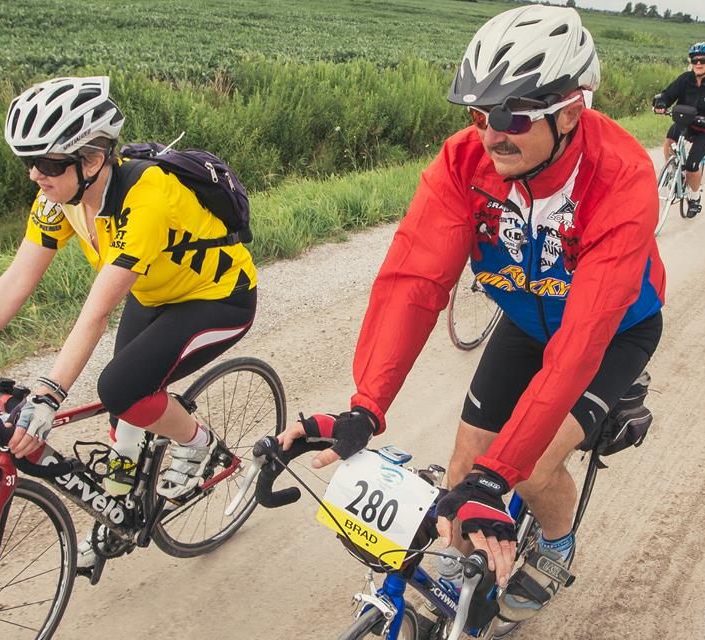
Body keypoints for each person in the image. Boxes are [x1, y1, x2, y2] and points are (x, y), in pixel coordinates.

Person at [272, 5, 663, 634]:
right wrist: (367, 405)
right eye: (479, 114)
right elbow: (414, 282)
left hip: (612, 330)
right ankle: (468, 577)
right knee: (463, 469)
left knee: (528, 467)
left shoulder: (621, 178)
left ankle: (556, 551)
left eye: (512, 116)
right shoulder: (465, 163)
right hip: (527, 320)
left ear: (570, 111)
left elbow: (582, 338)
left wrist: (499, 476)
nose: (491, 135)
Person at [0, 76, 259, 505]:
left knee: (121, 389)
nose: (34, 175)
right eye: (29, 162)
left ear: (92, 160)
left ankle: (199, 446)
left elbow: (96, 312)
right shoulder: (57, 199)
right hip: (154, 296)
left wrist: (48, 395)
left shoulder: (149, 197)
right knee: (125, 414)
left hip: (218, 298)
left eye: (47, 164)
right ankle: (121, 512)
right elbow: (17, 279)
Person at [651, 42, 705, 218]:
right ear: (690, 61)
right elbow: (667, 95)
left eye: (703, 60)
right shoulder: (685, 79)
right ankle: (674, 172)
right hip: (685, 123)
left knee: (691, 165)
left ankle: (694, 197)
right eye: (694, 60)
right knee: (669, 141)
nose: (698, 64)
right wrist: (661, 104)